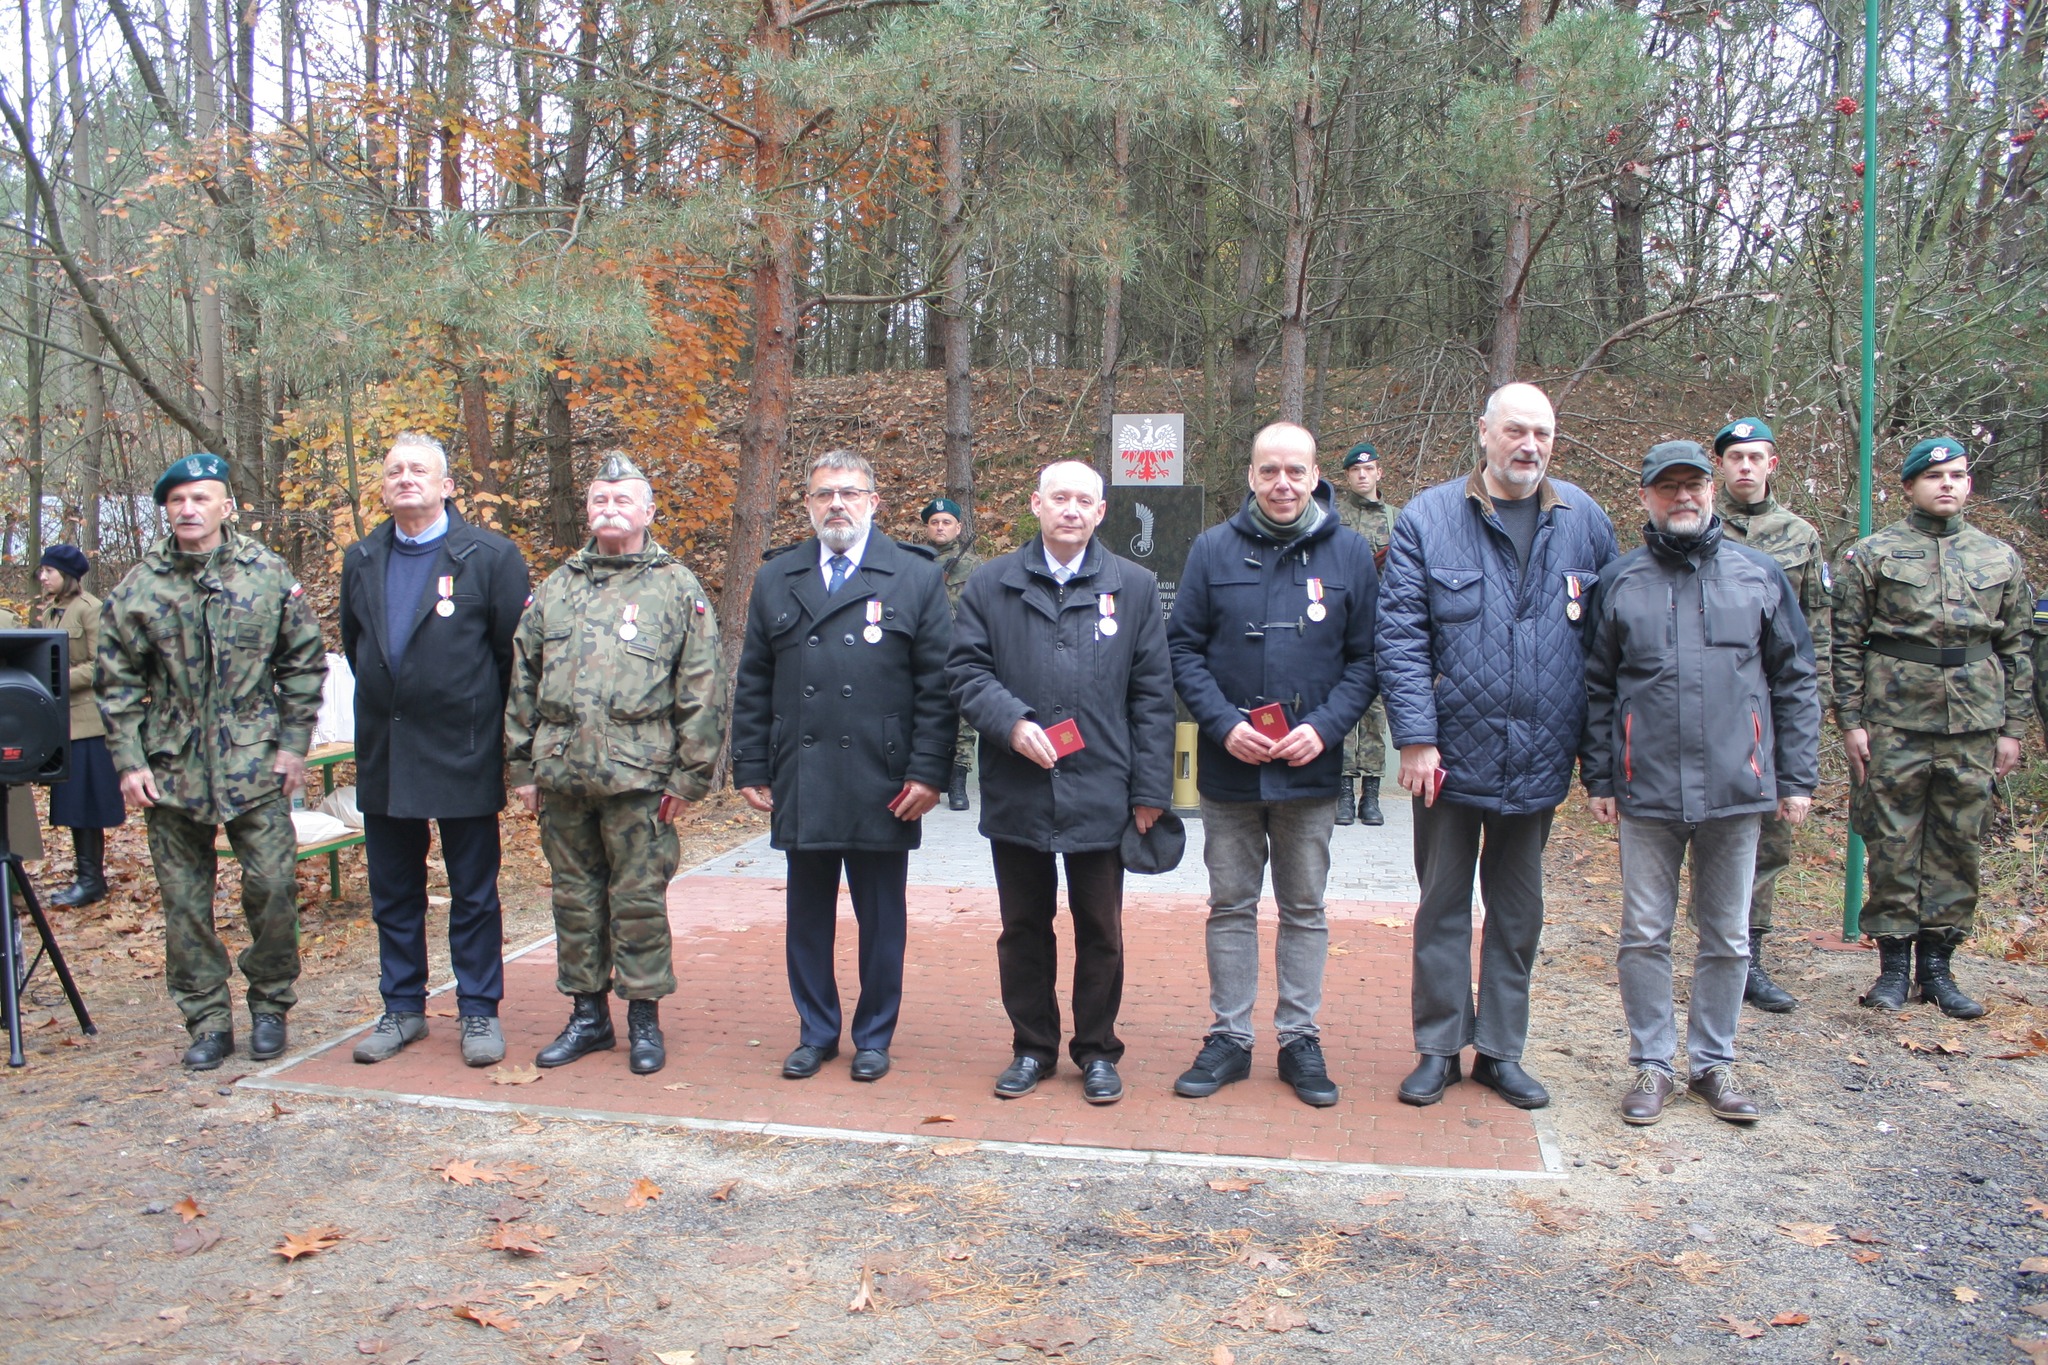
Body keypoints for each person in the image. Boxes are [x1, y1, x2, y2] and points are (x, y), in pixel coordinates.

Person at [1378, 382, 1618, 1110]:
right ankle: (1439, 1048)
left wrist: (1595, 755)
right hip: (1447, 761)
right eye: (1516, 430)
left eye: (1542, 433)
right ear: (1483, 431)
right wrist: (1416, 739)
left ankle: (1502, 1051)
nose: (1530, 446)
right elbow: (1400, 637)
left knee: (1518, 913)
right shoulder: (1428, 519)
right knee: (1443, 906)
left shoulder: (1585, 523)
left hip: (1540, 756)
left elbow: (1607, 650)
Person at [1582, 441, 1820, 1126]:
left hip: (1735, 789)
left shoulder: (1760, 575)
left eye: (1693, 484)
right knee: (1644, 933)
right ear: (1645, 499)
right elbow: (1598, 687)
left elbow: (1796, 681)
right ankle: (1652, 1064)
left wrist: (1795, 776)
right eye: (1667, 488)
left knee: (1727, 935)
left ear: (1712, 490)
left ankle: (1713, 1063)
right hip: (1646, 789)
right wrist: (1600, 773)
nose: (1682, 497)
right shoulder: (1620, 581)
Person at [947, 461, 1176, 1105]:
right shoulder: (993, 584)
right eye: (1059, 498)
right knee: (1023, 926)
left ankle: (1097, 1050)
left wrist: (1150, 793)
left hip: (1103, 787)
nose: (1071, 510)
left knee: (1101, 928)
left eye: (1084, 500)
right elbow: (964, 671)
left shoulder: (1132, 587)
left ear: (1102, 512)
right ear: (1036, 504)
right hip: (1018, 783)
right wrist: (1011, 723)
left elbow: (1154, 697)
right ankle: (1031, 1048)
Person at [1166, 422, 1379, 1108]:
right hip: (1231, 769)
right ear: (1250, 476)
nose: (1282, 484)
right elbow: (1183, 650)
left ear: (1317, 474)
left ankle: (1299, 1039)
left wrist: (1325, 727)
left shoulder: (1349, 553)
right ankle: (1229, 1035)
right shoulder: (1211, 549)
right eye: (1268, 471)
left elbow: (1368, 659)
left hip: (1309, 771)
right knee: (1229, 904)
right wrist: (1222, 724)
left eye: (1295, 471)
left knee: (1305, 908)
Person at [98, 454, 327, 1070]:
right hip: (171, 766)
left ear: (227, 505)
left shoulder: (266, 574)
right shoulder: (140, 586)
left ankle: (271, 1004)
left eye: (201, 498)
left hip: (254, 762)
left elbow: (303, 663)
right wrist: (129, 759)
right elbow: (116, 679)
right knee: (184, 901)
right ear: (166, 511)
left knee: (274, 887)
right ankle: (205, 1019)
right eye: (177, 501)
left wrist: (293, 744)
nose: (189, 510)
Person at [731, 450, 954, 1084]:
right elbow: (754, 678)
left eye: (851, 493)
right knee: (808, 914)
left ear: (874, 503)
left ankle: (875, 1035)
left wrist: (930, 771)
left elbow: (937, 685)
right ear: (806, 504)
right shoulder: (778, 576)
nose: (837, 504)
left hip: (884, 775)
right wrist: (750, 761)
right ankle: (816, 1031)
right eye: (825, 493)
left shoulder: (913, 576)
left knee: (883, 916)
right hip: (802, 770)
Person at [505, 452, 727, 1076]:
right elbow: (523, 679)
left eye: (622, 500)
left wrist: (690, 774)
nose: (609, 509)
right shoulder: (556, 586)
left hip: (641, 781)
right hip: (563, 776)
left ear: (648, 511)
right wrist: (521, 769)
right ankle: (587, 1016)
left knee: (637, 902)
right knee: (575, 901)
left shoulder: (676, 587)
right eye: (600, 500)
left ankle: (643, 1019)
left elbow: (703, 686)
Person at [340, 434, 531, 1068]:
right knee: (393, 891)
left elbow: (513, 658)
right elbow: (357, 646)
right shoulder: (362, 557)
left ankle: (479, 1010)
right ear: (383, 486)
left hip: (463, 749)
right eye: (393, 470)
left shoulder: (490, 556)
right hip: (387, 752)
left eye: (419, 469)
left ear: (447, 485)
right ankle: (402, 1008)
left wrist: (502, 738)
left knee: (474, 891)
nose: (405, 478)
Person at [1832, 437, 2031, 1020]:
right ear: (1910, 486)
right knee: (1892, 840)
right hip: (1894, 722)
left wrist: (2012, 728)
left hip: (1975, 724)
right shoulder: (1872, 555)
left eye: (1958, 474)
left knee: (1958, 842)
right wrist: (1850, 722)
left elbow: (2017, 646)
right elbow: (1844, 644)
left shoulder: (1999, 558)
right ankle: (1893, 967)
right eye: (1935, 475)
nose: (1948, 484)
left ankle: (1938, 968)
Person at [1709, 418, 1831, 1013]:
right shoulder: (1698, 528)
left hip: (1774, 705)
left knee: (1770, 836)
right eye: (1735, 457)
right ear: (1721, 467)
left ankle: (1750, 955)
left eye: (1757, 457)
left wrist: (1815, 710)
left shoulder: (1800, 536)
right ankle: (1713, 944)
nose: (1746, 467)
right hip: (1712, 706)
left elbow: (1818, 636)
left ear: (1773, 464)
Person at [36, 544, 123, 907]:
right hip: (63, 723)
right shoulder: (52, 613)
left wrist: (52, 678)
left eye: (49, 571)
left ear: (67, 575)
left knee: (87, 804)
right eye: (42, 571)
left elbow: (102, 665)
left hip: (88, 723)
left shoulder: (90, 609)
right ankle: (86, 875)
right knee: (73, 805)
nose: (43, 577)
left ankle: (91, 880)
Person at [1332, 441, 1400, 827]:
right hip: (1342, 625)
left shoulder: (1396, 519)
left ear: (1378, 473)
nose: (1362, 475)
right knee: (1344, 704)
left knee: (1375, 711)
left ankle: (1370, 795)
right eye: (1355, 471)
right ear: (1347, 477)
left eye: (1368, 469)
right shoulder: (1334, 517)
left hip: (1383, 626)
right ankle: (1343, 791)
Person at [923, 496, 984, 811]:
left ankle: (958, 781)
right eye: (934, 522)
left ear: (959, 527)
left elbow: (982, 609)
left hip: (960, 648)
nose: (940, 527)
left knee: (963, 716)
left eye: (947, 522)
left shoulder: (973, 565)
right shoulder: (915, 562)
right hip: (923, 650)